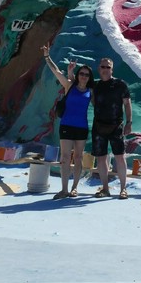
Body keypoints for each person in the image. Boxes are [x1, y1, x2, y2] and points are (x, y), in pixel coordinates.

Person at [42, 44, 92, 200]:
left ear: (89, 77)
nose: (83, 76)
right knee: (64, 158)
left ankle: (74, 188)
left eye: (86, 74)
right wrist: (47, 57)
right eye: (81, 73)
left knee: (78, 158)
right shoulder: (69, 86)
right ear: (78, 75)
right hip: (66, 125)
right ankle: (64, 189)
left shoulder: (91, 91)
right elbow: (56, 72)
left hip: (82, 128)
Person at [92, 57, 132, 199]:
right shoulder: (95, 86)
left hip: (116, 126)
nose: (105, 69)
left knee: (120, 157)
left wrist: (129, 122)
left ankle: (123, 189)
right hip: (98, 126)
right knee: (101, 158)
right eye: (103, 67)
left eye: (108, 67)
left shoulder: (120, 84)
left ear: (112, 69)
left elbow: (127, 103)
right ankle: (105, 188)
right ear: (99, 69)